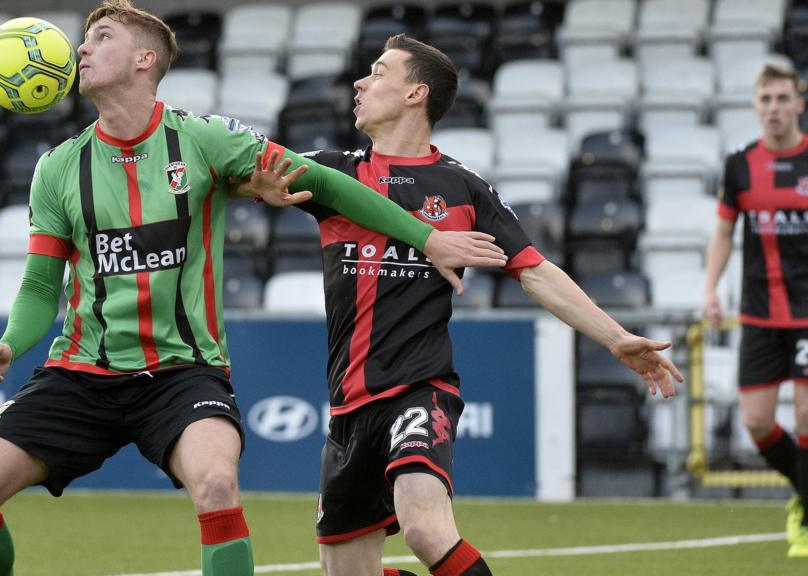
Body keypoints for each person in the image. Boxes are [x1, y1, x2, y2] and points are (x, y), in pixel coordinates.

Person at [0, 3, 508, 576]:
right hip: (81, 373)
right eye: (85, 39)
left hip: (183, 372)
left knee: (215, 483)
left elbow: (325, 182)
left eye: (101, 37)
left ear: (145, 59)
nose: (81, 48)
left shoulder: (204, 139)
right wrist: (11, 343)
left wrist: (427, 239)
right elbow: (41, 285)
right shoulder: (58, 168)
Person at [239, 35, 684, 576]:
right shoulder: (333, 173)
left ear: (415, 94)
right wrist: (250, 182)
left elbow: (535, 271)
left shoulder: (462, 187)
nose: (360, 82)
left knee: (425, 526)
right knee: (345, 572)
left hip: (420, 388)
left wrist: (616, 337)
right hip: (348, 408)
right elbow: (242, 173)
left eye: (378, 72)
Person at [702, 63, 808, 558]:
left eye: (783, 98)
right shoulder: (740, 165)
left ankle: (805, 511)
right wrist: (710, 289)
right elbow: (724, 232)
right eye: (766, 99)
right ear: (754, 106)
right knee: (758, 424)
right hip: (760, 315)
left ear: (799, 104)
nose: (774, 108)